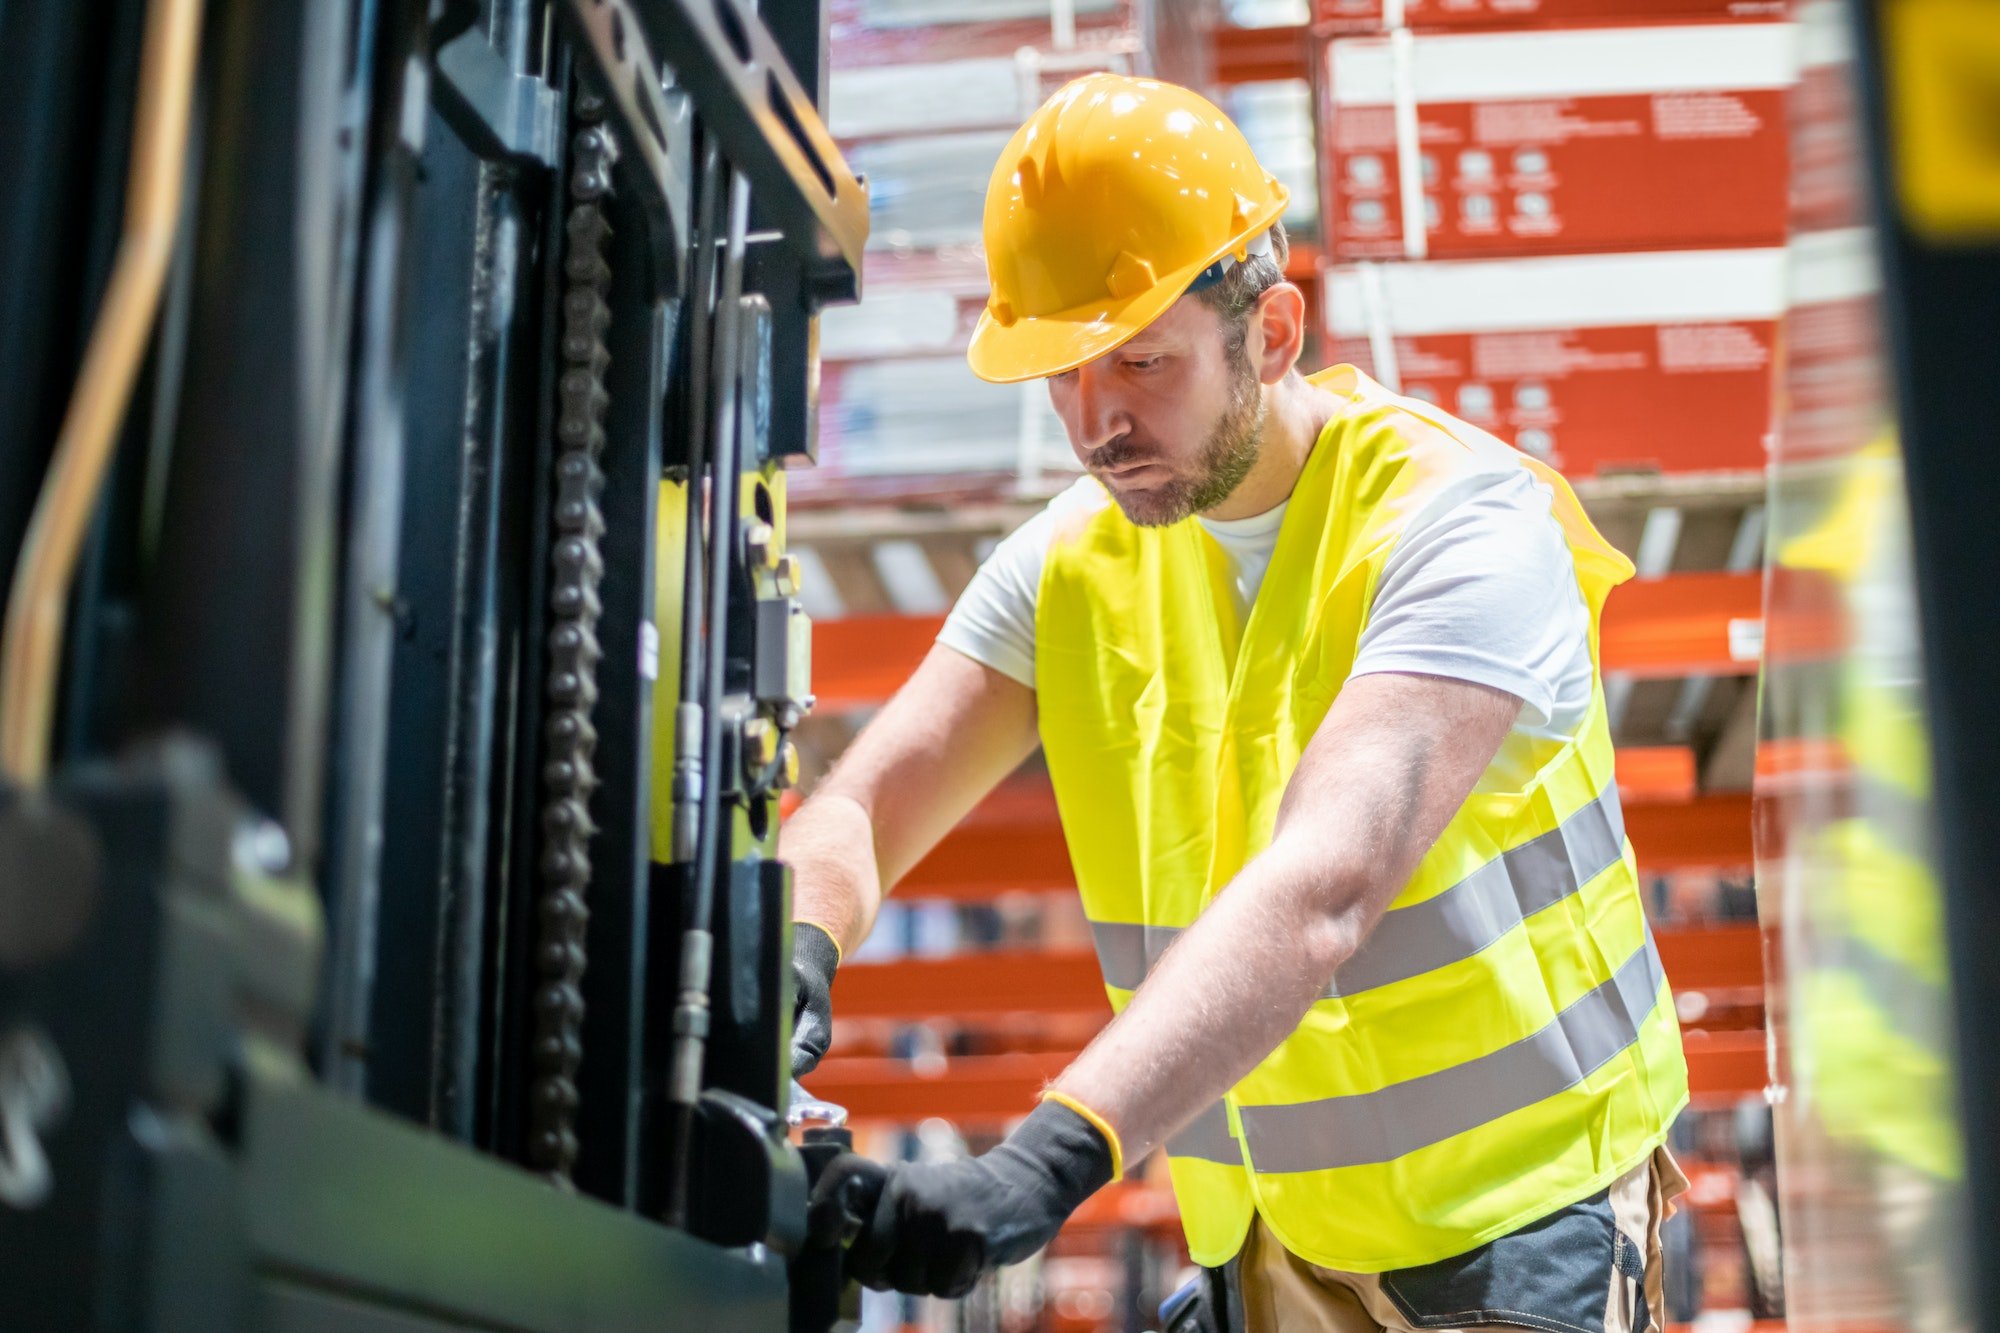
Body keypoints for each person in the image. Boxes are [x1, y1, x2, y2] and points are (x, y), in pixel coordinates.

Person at [783, 73, 1689, 1332]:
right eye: (1060, 377)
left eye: (1140, 363)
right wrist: (786, 949)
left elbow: (1325, 887)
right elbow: (865, 813)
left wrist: (1042, 1162)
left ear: (1267, 333)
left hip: (1513, 1221)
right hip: (1265, 1235)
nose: (1095, 425)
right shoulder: (1071, 561)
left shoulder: (1459, 524)